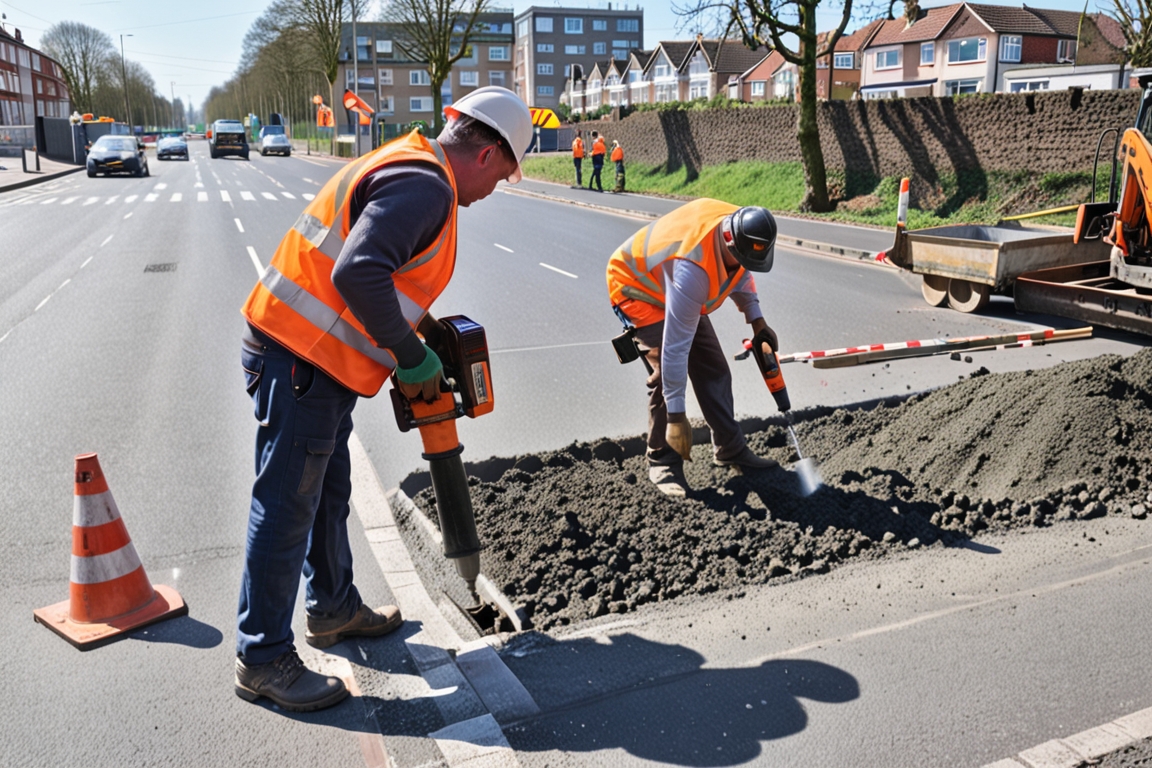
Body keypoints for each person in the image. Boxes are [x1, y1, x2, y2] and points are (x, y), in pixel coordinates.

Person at [235, 86, 533, 712]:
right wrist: (411, 353)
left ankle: (333, 607)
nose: (493, 192)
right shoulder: (427, 186)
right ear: (485, 155)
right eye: (502, 177)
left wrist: (419, 331)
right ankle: (261, 657)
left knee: (326, 493)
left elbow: (383, 274)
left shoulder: (411, 160)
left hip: (315, 362)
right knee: (287, 505)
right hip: (300, 358)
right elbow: (357, 271)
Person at [606, 199, 780, 497]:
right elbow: (675, 350)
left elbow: (742, 271)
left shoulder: (742, 227)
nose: (743, 264)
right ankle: (662, 458)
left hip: (671, 279)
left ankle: (730, 448)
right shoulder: (692, 270)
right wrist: (677, 417)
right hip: (636, 286)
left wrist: (757, 322)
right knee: (665, 375)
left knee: (714, 368)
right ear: (729, 241)